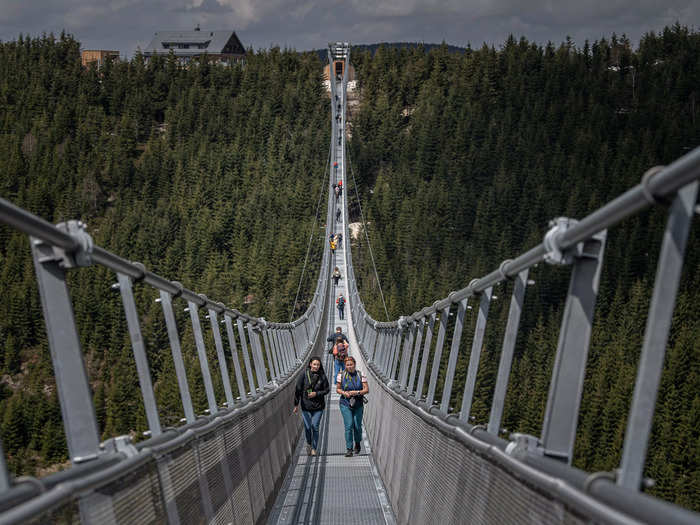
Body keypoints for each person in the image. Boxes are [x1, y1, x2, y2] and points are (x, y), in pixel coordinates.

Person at [294, 357, 330, 456]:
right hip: (306, 406)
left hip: (318, 406)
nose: (316, 366)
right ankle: (309, 443)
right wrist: (296, 404)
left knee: (315, 426)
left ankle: (314, 448)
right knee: (308, 427)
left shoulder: (322, 376)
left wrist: (316, 393)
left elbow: (327, 390)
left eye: (318, 365)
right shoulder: (304, 375)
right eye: (314, 364)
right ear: (310, 364)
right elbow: (298, 389)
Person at [336, 356, 369, 457]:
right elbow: (338, 389)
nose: (349, 366)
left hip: (358, 403)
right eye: (347, 365)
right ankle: (349, 449)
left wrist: (357, 392)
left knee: (357, 426)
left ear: (354, 364)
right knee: (349, 425)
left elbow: (366, 389)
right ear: (345, 366)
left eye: (351, 364)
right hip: (345, 403)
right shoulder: (341, 375)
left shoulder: (360, 374)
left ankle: (357, 443)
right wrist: (344, 393)